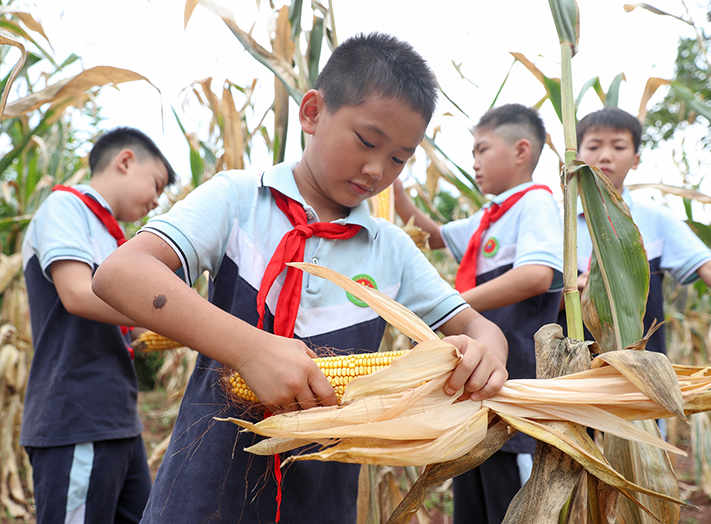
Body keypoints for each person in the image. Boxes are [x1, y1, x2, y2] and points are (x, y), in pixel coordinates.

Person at [91, 33, 508, 524]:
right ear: (312, 112)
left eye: (399, 158)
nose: (377, 170)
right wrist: (250, 350)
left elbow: (479, 328)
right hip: (200, 497)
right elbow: (120, 273)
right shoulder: (239, 200)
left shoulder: (390, 249)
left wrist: (488, 350)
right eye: (367, 142)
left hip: (320, 500)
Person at [393, 103, 564, 524]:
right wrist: (394, 188)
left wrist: (458, 303)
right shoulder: (489, 218)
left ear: (521, 150)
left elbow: (537, 275)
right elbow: (430, 236)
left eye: (481, 150)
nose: (474, 162)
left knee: (513, 498)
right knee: (474, 493)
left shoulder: (534, 205)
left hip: (517, 381)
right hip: (479, 388)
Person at [20, 126, 176, 524]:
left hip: (118, 420)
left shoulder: (115, 240)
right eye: (156, 184)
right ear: (126, 161)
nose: (156, 200)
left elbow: (136, 324)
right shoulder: (66, 208)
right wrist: (176, 313)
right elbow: (77, 293)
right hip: (77, 417)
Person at [570, 106, 711, 368]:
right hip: (565, 378)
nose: (605, 156)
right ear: (576, 156)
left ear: (635, 160)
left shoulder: (655, 220)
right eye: (594, 146)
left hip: (641, 375)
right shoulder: (557, 221)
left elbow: (710, 266)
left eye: (619, 147)